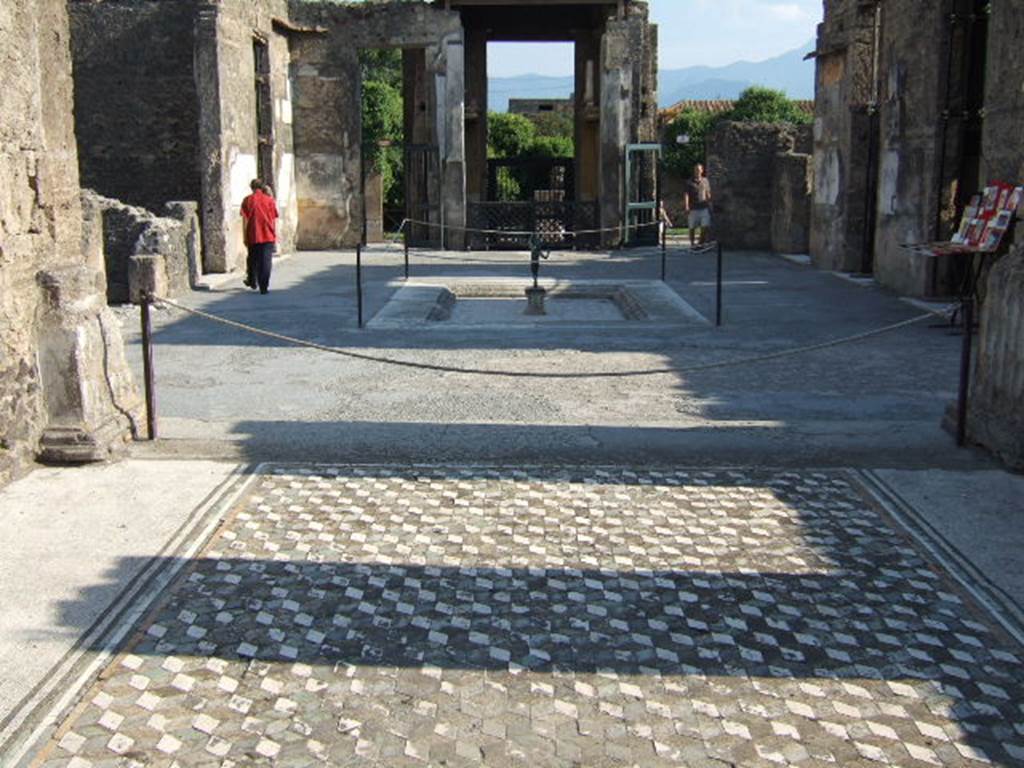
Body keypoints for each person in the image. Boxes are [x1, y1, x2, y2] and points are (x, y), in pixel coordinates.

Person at [241, 179, 278, 294]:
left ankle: (252, 280)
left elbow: (245, 219)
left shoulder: (247, 200)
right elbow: (273, 219)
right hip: (267, 234)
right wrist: (274, 234)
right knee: (266, 261)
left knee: (252, 258)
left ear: (251, 187)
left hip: (253, 233)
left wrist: (245, 236)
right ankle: (264, 286)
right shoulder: (269, 200)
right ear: (262, 187)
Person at [683, 163, 712, 247]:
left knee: (705, 225)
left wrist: (710, 202)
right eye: (696, 170)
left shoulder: (705, 181)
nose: (697, 172)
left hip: (703, 207)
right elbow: (686, 194)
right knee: (692, 227)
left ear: (702, 171)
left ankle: (700, 243)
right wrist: (686, 206)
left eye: (699, 170)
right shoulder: (689, 182)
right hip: (693, 208)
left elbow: (708, 193)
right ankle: (692, 244)